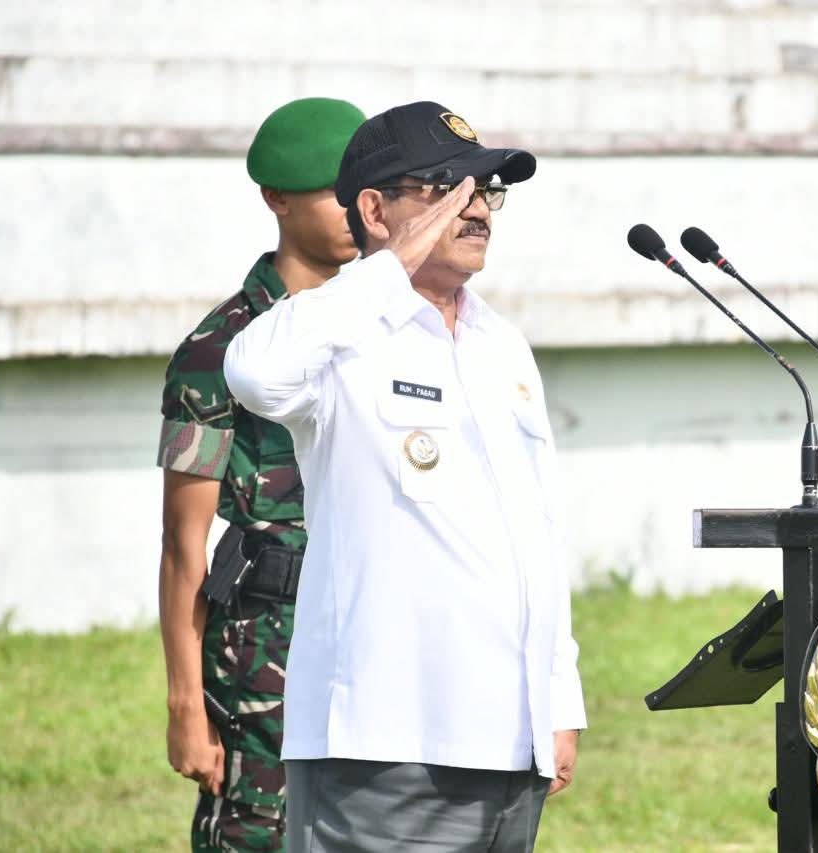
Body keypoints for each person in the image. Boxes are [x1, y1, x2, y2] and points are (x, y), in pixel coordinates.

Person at [223, 101, 587, 852]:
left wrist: (558, 699)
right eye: (448, 189)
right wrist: (387, 270)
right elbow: (253, 374)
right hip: (384, 748)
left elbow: (540, 533)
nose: (476, 208)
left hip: (508, 743)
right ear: (374, 210)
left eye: (487, 190)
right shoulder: (342, 336)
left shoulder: (501, 344)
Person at [156, 96, 366, 852]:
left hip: (368, 620)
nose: (357, 211)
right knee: (257, 837)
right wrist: (186, 704)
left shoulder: (386, 327)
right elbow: (183, 542)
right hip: (264, 643)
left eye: (365, 192)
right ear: (277, 198)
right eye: (333, 193)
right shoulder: (218, 350)